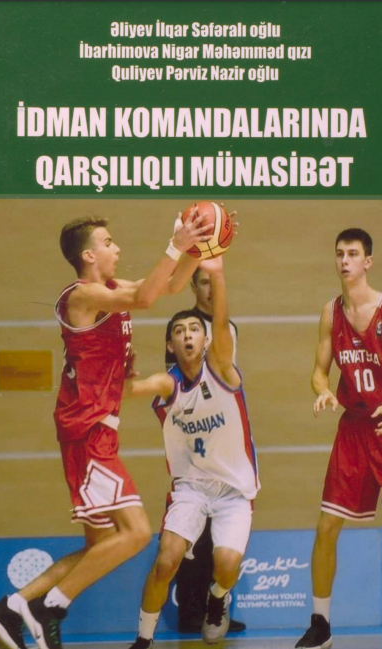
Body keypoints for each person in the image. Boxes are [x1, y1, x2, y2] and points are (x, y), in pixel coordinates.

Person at [0, 212, 212, 649]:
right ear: (88, 255)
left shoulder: (109, 291)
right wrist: (175, 244)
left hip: (94, 429)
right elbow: (146, 297)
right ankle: (49, 607)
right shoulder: (83, 295)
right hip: (88, 430)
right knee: (137, 533)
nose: (116, 248)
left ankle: (11, 608)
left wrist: (200, 246)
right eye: (108, 242)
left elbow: (168, 286)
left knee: (101, 543)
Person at [296, 229, 382, 649]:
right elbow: (319, 371)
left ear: (368, 261)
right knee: (326, 525)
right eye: (340, 253)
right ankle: (320, 624)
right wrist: (323, 391)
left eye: (353, 253)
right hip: (353, 429)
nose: (345, 260)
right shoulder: (329, 313)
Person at [124, 256, 260, 647]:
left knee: (226, 565)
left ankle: (219, 597)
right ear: (171, 344)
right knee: (166, 560)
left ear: (206, 340)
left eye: (194, 330)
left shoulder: (223, 371)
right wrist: (119, 374)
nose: (187, 335)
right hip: (191, 488)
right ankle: (143, 640)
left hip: (234, 488)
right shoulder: (167, 384)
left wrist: (218, 273)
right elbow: (132, 390)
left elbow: (222, 321)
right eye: (179, 331)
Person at [165, 265, 244, 634]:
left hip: (224, 445)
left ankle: (218, 607)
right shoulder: (183, 328)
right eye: (203, 283)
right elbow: (176, 388)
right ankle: (190, 613)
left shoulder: (228, 329)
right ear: (193, 287)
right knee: (192, 535)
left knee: (223, 534)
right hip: (194, 444)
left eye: (215, 283)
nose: (210, 289)